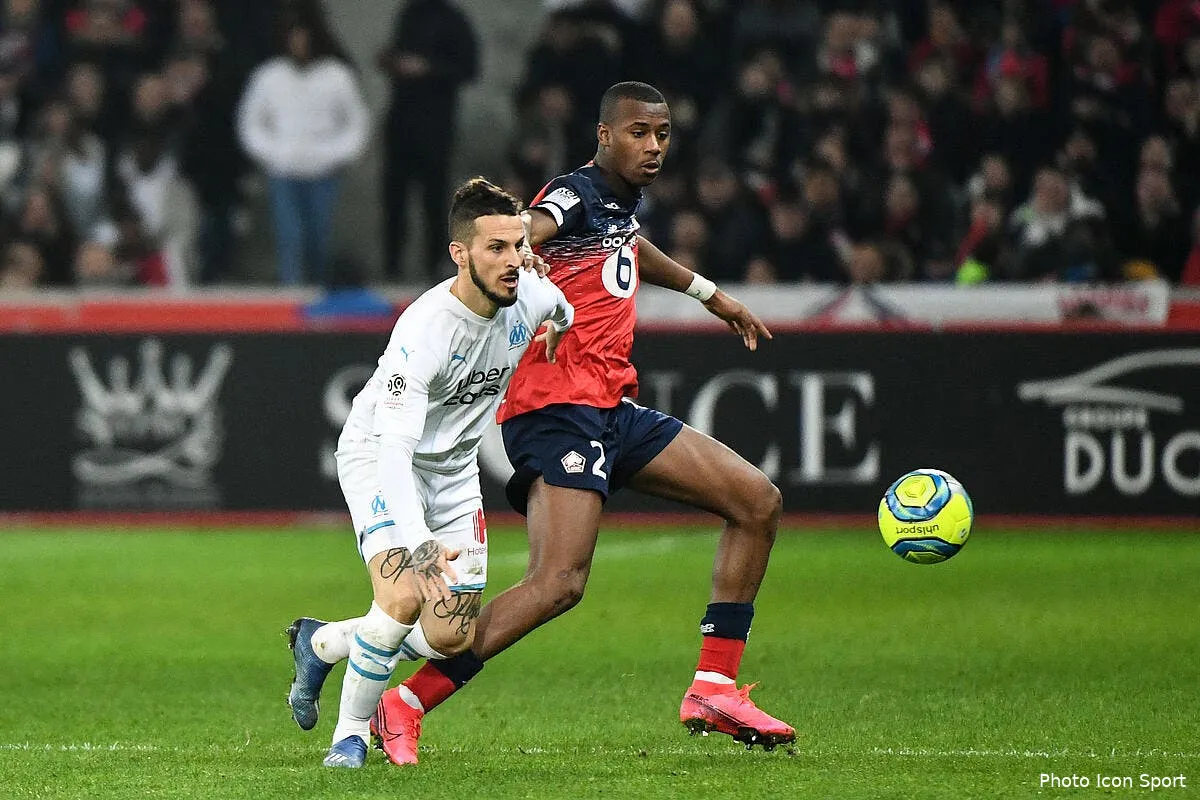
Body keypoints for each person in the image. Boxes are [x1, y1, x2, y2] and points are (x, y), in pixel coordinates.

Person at [288, 81, 792, 766]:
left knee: (756, 502)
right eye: (639, 133)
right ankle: (403, 702)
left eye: (663, 134)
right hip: (556, 410)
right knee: (559, 583)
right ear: (604, 135)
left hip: (612, 405)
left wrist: (712, 295)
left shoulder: (616, 207)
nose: (654, 147)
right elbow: (536, 226)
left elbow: (629, 249)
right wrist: (522, 249)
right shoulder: (575, 193)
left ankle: (713, 685)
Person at [292, 177, 574, 768]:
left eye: (517, 246)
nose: (512, 261)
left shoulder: (530, 296)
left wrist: (556, 327)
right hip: (381, 460)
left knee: (451, 637)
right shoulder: (423, 333)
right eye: (494, 248)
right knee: (397, 600)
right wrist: (417, 542)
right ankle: (349, 737)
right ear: (460, 253)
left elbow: (562, 307)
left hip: (451, 474)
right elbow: (394, 450)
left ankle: (325, 643)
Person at [236, 9, 368, 285]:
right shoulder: (268, 76)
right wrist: (274, 153)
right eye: (293, 39)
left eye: (304, 39)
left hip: (324, 172)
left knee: (319, 236)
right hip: (283, 171)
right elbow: (249, 123)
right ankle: (291, 291)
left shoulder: (336, 76)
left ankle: (320, 290)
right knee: (290, 236)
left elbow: (357, 123)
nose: (299, 45)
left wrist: (335, 154)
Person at [377, 0, 478, 280]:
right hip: (401, 123)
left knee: (434, 200)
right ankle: (392, 265)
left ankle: (435, 266)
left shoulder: (455, 21)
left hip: (436, 126)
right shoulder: (408, 14)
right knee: (394, 198)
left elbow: (469, 69)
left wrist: (428, 68)